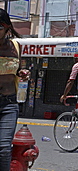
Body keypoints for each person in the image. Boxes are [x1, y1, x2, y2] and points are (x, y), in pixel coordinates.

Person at [0, 9, 30, 170]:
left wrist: (22, 73)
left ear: (7, 27)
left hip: (9, 104)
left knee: (4, 148)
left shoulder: (16, 47)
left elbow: (19, 68)